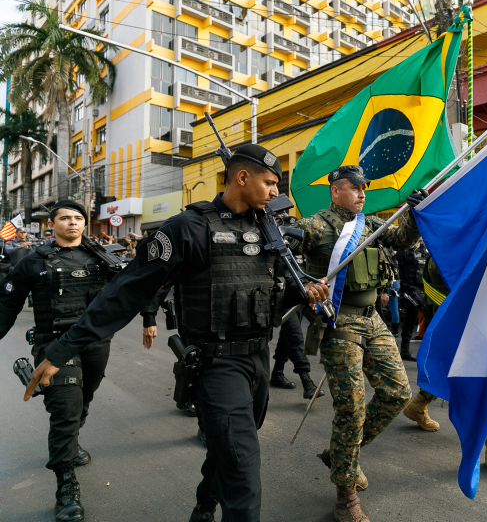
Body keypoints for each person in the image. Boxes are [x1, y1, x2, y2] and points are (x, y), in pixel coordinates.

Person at [25, 144, 330, 522]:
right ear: (242, 177)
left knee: (229, 450)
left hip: (258, 360)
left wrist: (304, 291)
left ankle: (204, 507)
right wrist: (62, 348)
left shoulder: (266, 229)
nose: (275, 192)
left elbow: (277, 290)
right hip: (216, 365)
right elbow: (125, 291)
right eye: (269, 183)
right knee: (243, 472)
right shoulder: (188, 227)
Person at [291, 165, 423, 522]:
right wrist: (303, 284)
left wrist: (414, 212)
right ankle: (345, 496)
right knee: (350, 409)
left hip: (372, 318)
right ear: (335, 191)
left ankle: (341, 453)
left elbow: (402, 240)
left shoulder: (371, 224)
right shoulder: (314, 226)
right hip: (339, 320)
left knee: (397, 393)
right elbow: (281, 257)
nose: (362, 194)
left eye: (363, 188)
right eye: (354, 188)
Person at [0, 201, 131, 522]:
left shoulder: (103, 258)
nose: (72, 222)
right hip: (53, 345)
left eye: (78, 218)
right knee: (65, 409)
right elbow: (7, 305)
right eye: (65, 218)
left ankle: (72, 439)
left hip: (95, 343)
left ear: (84, 223)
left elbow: (132, 290)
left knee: (84, 399)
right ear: (52, 224)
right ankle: (66, 487)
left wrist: (149, 317)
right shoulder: (32, 262)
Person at [404, 256, 487, 476]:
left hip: (464, 316)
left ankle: (418, 404)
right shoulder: (448, 250)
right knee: (473, 380)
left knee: (452, 374)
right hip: (457, 318)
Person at [270, 306, 326, 399]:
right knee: (294, 336)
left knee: (287, 333)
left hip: (297, 302)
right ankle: (307, 383)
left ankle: (277, 373)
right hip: (282, 302)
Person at [394, 241, 427, 361]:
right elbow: (395, 267)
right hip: (408, 289)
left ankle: (405, 351)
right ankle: (404, 350)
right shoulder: (404, 251)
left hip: (422, 288)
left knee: (411, 319)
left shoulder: (423, 250)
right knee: (412, 318)